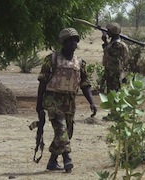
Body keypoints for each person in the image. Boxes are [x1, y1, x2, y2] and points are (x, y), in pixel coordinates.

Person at [35, 28, 97, 173]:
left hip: (69, 100)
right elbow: (43, 81)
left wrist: (92, 102)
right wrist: (39, 105)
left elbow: (85, 84)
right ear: (63, 42)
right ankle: (67, 159)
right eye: (70, 40)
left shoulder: (79, 62)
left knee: (67, 132)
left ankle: (52, 162)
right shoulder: (52, 59)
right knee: (61, 129)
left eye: (76, 40)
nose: (74, 43)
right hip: (52, 98)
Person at [101, 22, 129, 94]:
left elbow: (110, 54)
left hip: (114, 73)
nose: (107, 32)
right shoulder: (114, 43)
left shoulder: (117, 45)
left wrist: (105, 41)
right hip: (112, 72)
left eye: (109, 31)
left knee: (113, 93)